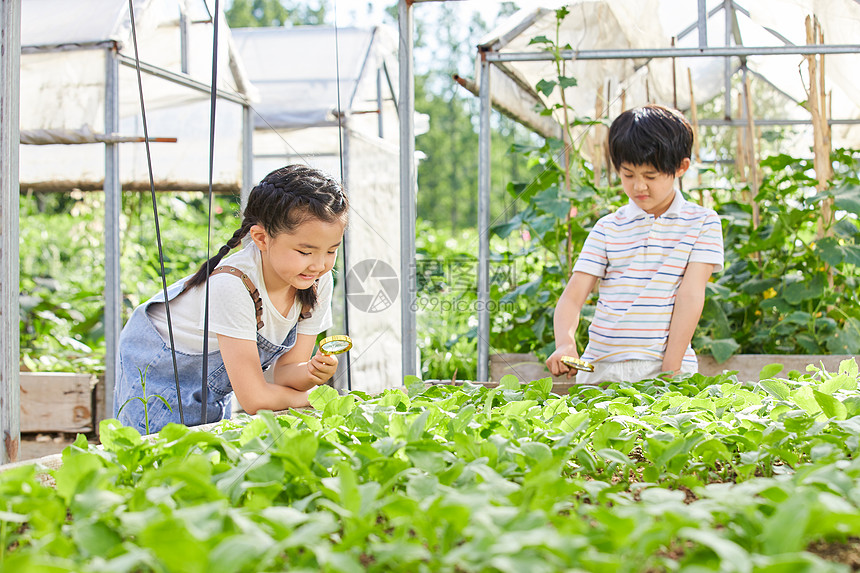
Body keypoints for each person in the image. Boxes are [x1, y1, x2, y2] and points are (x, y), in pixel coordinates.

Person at [114, 165, 348, 434]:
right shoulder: (233, 285)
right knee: (157, 459)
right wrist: (320, 399)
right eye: (305, 252)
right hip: (162, 369)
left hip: (215, 379)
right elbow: (255, 399)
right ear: (261, 238)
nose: (319, 265)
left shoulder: (316, 282)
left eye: (331, 251)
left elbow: (286, 373)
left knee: (207, 456)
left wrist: (310, 372)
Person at [546, 104, 724, 384]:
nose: (639, 186)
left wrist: (671, 370)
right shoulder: (607, 228)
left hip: (667, 365)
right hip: (602, 368)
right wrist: (565, 344)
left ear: (681, 167)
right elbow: (572, 296)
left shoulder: (702, 222)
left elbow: (690, 295)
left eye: (650, 176)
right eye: (628, 175)